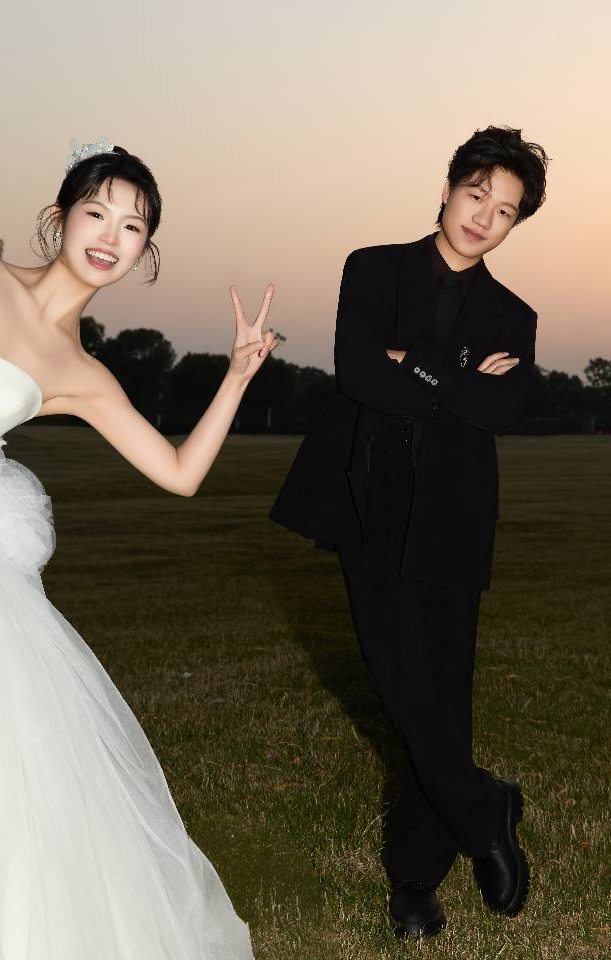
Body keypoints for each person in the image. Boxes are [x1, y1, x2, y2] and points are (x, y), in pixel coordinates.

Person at [0, 137, 276, 958]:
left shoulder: (83, 374)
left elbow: (179, 473)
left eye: (133, 226)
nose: (111, 235)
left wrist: (238, 377)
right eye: (97, 212)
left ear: (146, 252)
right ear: (59, 216)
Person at [270, 126, 548, 939]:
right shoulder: (373, 268)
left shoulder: (513, 315)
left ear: (514, 225)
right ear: (449, 186)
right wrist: (458, 380)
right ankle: (484, 807)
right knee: (400, 683)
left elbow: (503, 409)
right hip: (370, 499)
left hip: (456, 511)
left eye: (505, 211)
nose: (483, 217)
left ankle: (415, 881)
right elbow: (358, 373)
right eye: (477, 195)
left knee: (445, 692)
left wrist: (419, 363)